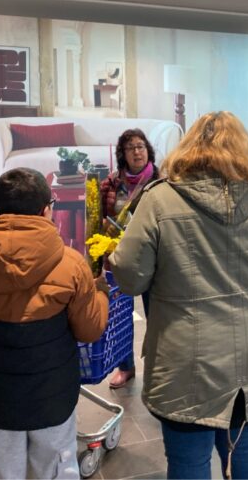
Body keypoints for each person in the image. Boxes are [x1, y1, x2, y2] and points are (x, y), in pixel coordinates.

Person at [110, 112, 248, 480]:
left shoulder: (160, 199)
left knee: (189, 461)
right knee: (246, 446)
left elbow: (129, 276)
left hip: (185, 359)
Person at [0, 168, 110, 480]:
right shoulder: (72, 264)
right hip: (53, 394)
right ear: (46, 210)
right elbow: (90, 330)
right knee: (57, 468)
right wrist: (100, 293)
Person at [100, 129, 158, 389]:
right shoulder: (111, 183)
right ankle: (126, 367)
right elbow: (100, 219)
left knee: (157, 313)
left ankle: (157, 367)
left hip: (153, 258)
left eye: (141, 146)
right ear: (122, 153)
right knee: (122, 316)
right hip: (120, 258)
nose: (137, 151)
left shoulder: (161, 180)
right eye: (131, 147)